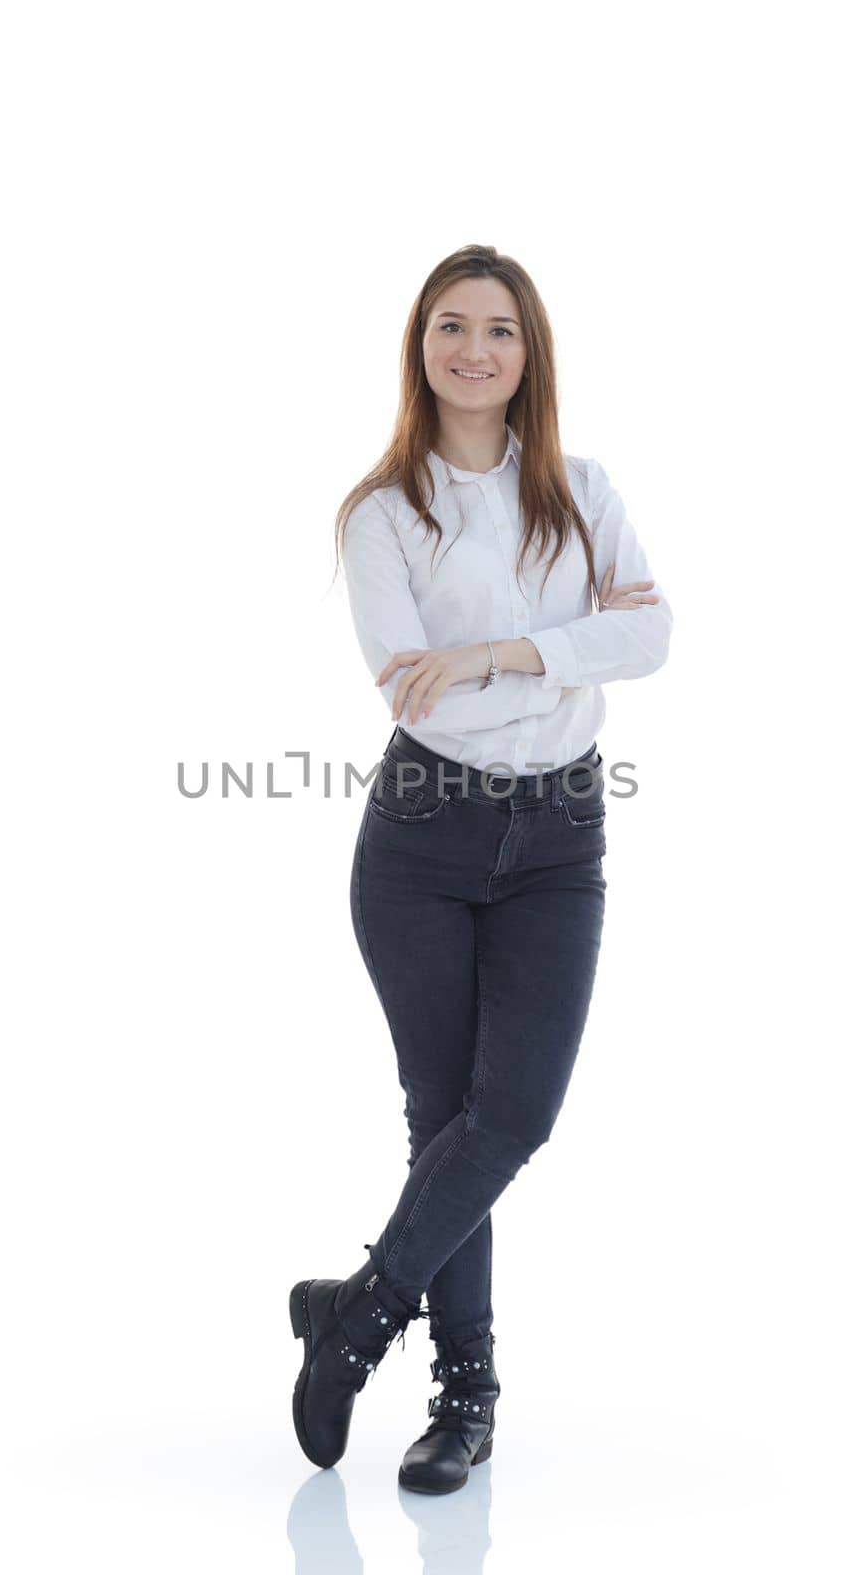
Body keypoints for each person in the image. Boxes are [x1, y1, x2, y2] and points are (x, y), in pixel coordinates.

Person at [290, 243, 673, 1495]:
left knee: (510, 1117)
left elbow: (654, 632)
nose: (473, 349)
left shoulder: (580, 484)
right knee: (444, 1117)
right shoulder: (380, 511)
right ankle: (465, 1400)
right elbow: (413, 690)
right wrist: (565, 651)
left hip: (560, 833)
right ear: (420, 348)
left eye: (498, 329)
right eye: (449, 326)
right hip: (422, 838)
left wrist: (500, 651)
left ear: (528, 352)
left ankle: (354, 1313)